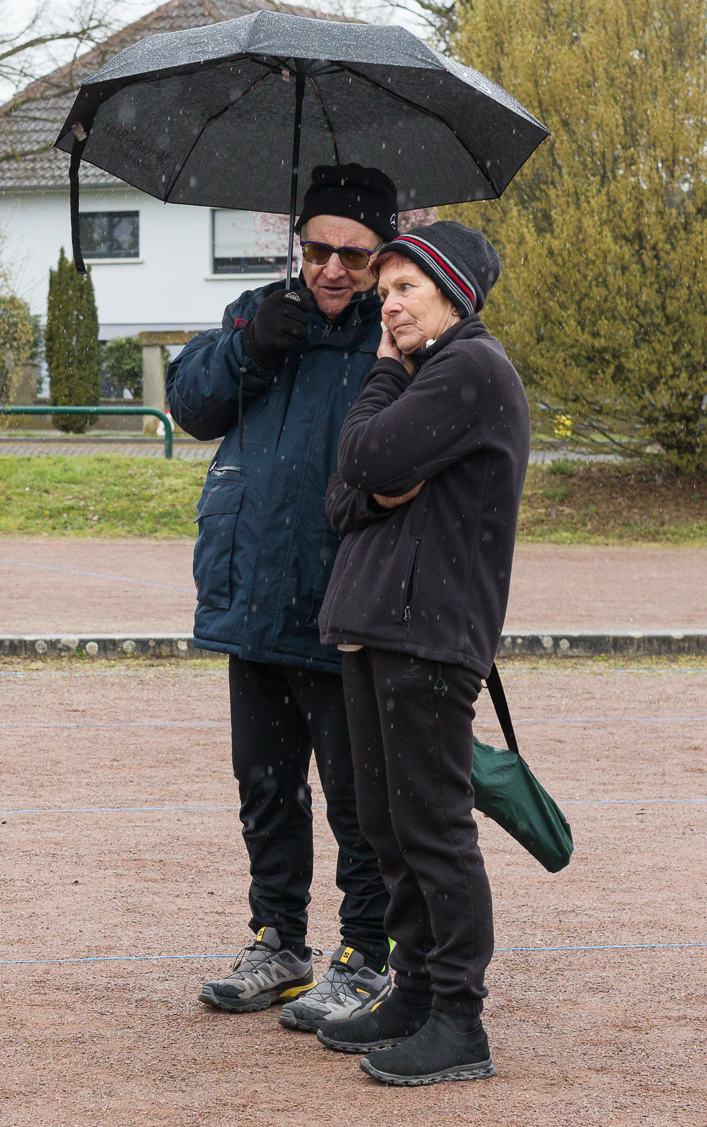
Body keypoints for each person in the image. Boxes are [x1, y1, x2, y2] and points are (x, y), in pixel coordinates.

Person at [166, 164, 399, 1029]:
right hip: (254, 591)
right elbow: (191, 406)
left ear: (382, 256)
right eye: (317, 249)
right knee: (265, 785)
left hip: (346, 602)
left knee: (359, 797)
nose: (332, 268)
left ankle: (366, 953)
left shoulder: (400, 332)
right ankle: (279, 943)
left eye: (354, 254)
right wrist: (253, 347)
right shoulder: (255, 314)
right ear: (298, 246)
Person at [316, 222, 531, 1084]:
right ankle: (412, 992)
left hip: (429, 634)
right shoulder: (426, 378)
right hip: (378, 625)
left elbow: (364, 452)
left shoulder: (468, 369)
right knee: (387, 823)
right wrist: (377, 484)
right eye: (384, 293)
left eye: (405, 288)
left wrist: (378, 387)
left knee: (433, 828)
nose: (388, 307)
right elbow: (342, 495)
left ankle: (457, 1021)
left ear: (453, 293)